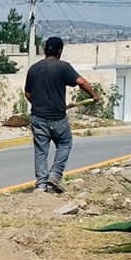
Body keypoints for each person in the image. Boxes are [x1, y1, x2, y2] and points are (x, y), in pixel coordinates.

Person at [23, 36, 99, 193]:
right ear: (60, 51)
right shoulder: (63, 67)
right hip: (57, 117)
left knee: (41, 151)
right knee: (65, 143)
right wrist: (94, 95)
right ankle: (55, 175)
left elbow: (28, 94)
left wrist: (39, 104)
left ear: (45, 50)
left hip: (38, 117)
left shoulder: (34, 69)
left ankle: (41, 185)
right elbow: (81, 82)